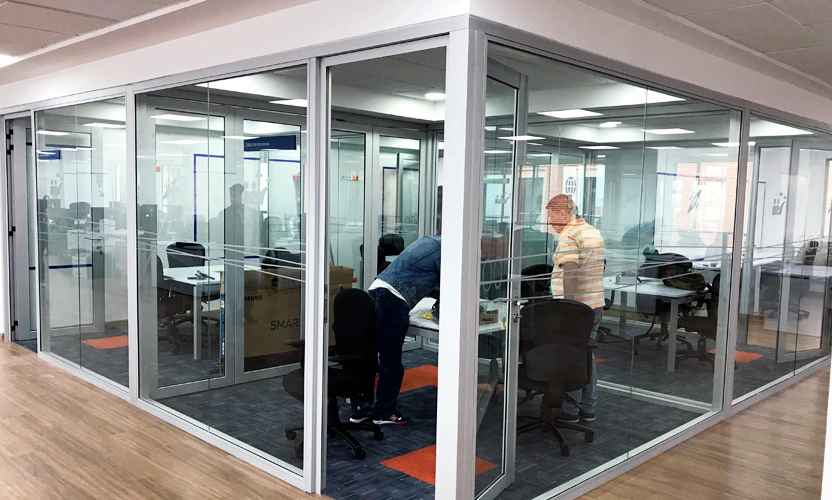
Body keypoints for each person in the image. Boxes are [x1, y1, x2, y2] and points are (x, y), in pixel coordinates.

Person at [350, 235, 441, 425]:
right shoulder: (445, 248)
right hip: (392, 300)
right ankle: (384, 412)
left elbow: (421, 278)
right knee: (391, 362)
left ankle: (362, 409)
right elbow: (452, 284)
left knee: (369, 356)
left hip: (376, 292)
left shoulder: (428, 241)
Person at [546, 194, 605, 423]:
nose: (550, 223)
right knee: (586, 356)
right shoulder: (592, 231)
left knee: (570, 357)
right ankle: (588, 407)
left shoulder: (570, 235)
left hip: (577, 310)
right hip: (594, 305)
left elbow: (570, 271)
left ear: (563, 214)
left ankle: (570, 412)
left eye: (552, 217)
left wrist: (568, 308)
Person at [220, 183, 263, 253]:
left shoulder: (253, 213)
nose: (232, 199)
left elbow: (259, 232)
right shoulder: (225, 213)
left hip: (253, 252)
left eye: (234, 196)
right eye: (231, 196)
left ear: (243, 196)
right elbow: (221, 237)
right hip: (233, 252)